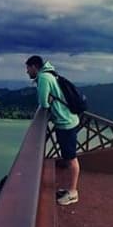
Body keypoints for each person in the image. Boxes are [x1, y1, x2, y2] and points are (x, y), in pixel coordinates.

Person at [25, 55, 80, 205]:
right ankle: (70, 188)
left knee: (71, 158)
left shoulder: (43, 78)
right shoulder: (51, 73)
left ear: (34, 67)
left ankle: (73, 193)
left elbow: (43, 103)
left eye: (28, 68)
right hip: (70, 119)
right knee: (68, 157)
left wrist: (46, 103)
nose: (27, 72)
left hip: (65, 122)